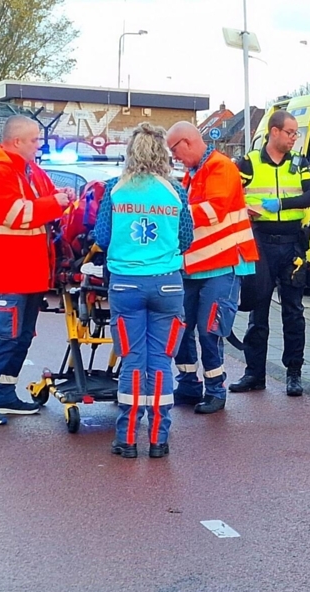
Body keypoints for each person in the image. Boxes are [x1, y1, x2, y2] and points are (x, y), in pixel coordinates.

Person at [93, 123, 193, 458]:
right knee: (161, 361)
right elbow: (186, 239)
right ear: (163, 153)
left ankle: (126, 439)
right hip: (166, 284)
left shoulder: (114, 189)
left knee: (133, 362)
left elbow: (102, 236)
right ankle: (158, 439)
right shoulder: (176, 191)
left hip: (125, 285)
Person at [0, 116, 70, 426]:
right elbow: (18, 214)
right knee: (4, 336)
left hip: (30, 272)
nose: (40, 145)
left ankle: (5, 391)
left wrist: (60, 199)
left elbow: (48, 201)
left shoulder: (31, 172)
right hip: (9, 272)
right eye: (34, 140)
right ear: (16, 142)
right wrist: (56, 202)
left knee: (21, 337)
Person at [165, 121, 258, 414]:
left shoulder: (221, 167)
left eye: (174, 150)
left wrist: (168, 212)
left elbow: (212, 210)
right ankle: (189, 384)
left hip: (223, 264)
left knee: (209, 330)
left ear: (188, 142)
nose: (174, 157)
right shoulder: (193, 174)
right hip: (195, 266)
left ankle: (216, 390)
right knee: (182, 328)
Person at [233, 110, 310, 397]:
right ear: (274, 132)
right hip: (260, 242)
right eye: (290, 132)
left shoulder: (299, 163)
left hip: (292, 243)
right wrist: (242, 210)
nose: (295, 138)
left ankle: (294, 373)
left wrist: (279, 203)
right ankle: (254, 373)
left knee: (293, 312)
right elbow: (232, 193)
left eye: (296, 133)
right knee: (258, 311)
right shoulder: (250, 162)